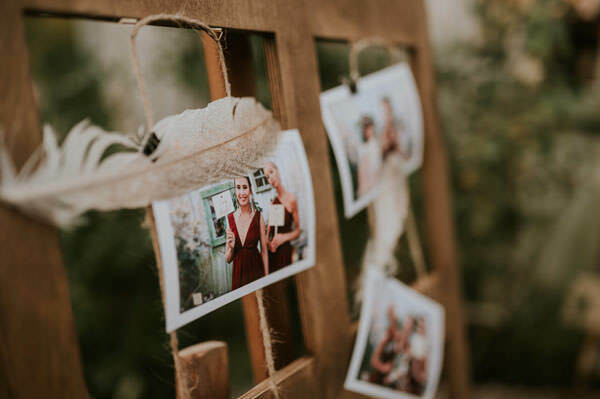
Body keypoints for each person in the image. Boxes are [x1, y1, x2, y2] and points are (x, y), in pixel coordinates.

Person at [225, 176, 269, 290]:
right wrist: (231, 247)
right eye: (238, 188)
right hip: (239, 274)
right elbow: (228, 259)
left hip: (256, 269)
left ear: (250, 190)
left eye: (245, 187)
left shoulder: (258, 217)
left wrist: (268, 278)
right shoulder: (230, 219)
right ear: (235, 191)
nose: (242, 192)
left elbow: (264, 251)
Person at [263, 161, 301, 273]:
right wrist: (269, 244)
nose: (271, 178)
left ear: (278, 171)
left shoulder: (292, 199)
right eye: (267, 177)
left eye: (271, 172)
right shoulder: (273, 203)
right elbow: (268, 233)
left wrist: (283, 238)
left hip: (285, 253)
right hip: (273, 255)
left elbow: (297, 231)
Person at [357, 115, 382, 197]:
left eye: (370, 128)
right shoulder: (364, 147)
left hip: (377, 181)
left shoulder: (375, 143)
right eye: (366, 129)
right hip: (370, 184)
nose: (369, 131)